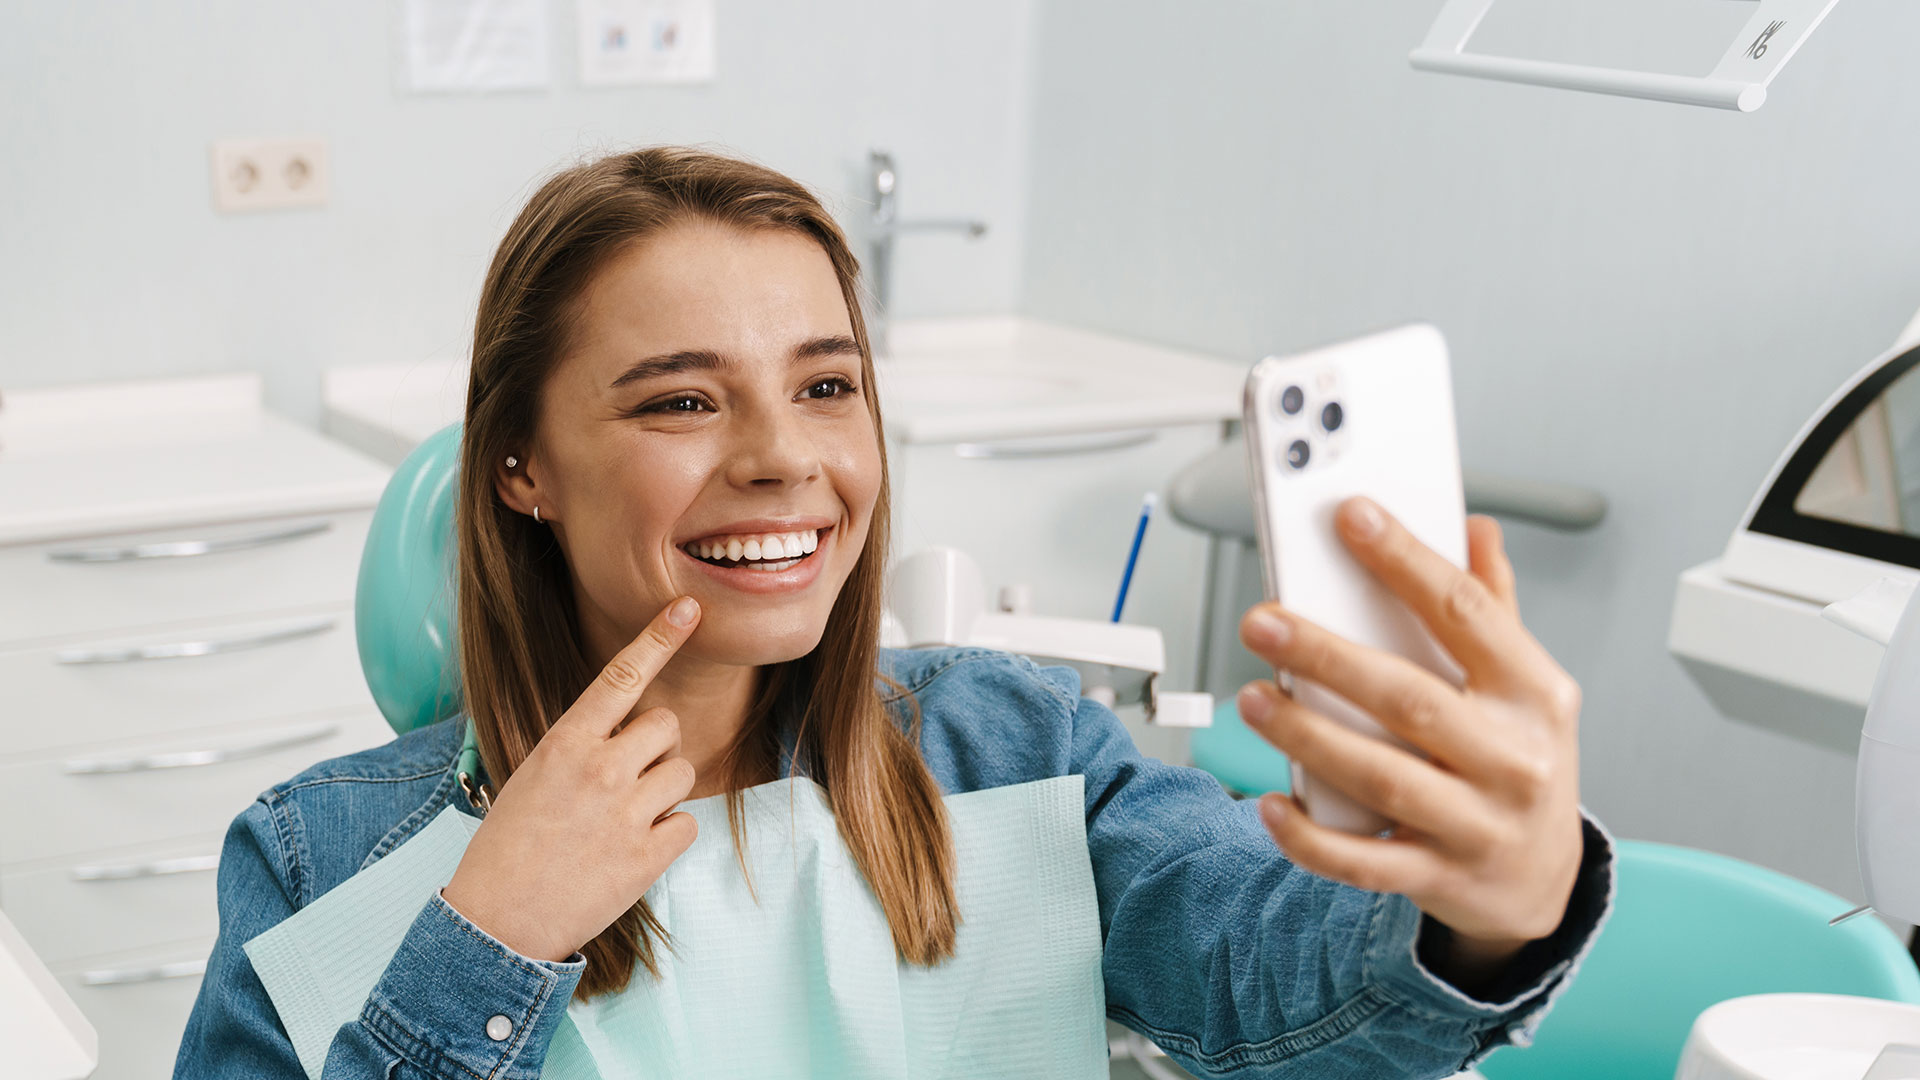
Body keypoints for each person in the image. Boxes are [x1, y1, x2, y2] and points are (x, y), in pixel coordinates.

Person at [173, 146, 1611, 1080]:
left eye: (825, 385)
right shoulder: (320, 863)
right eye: (681, 397)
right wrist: (486, 941)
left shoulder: (1011, 750)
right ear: (523, 466)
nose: (783, 457)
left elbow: (1288, 990)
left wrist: (1489, 915)